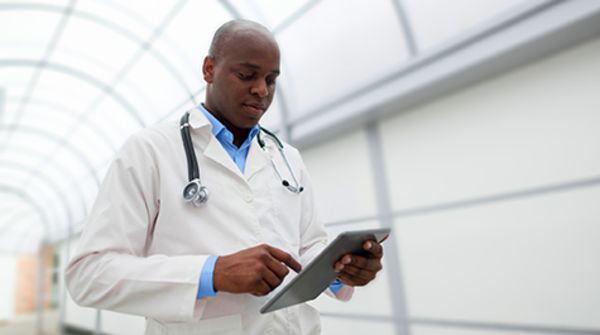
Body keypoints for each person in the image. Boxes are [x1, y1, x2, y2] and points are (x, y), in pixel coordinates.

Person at [65, 19, 385, 334]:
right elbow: (90, 274)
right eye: (247, 75)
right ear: (209, 69)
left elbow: (308, 246)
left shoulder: (287, 158)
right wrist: (211, 273)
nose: (261, 90)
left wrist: (341, 269)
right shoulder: (150, 151)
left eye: (271, 80)